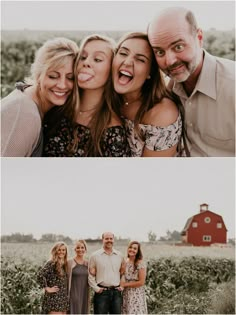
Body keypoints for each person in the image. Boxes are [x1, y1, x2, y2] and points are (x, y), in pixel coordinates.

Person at [147, 7, 235, 157]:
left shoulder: (232, 87)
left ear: (199, 37)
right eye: (159, 52)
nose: (169, 61)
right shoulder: (167, 90)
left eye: (178, 47)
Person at [43, 34, 131, 157]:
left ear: (112, 69)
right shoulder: (58, 104)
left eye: (98, 59)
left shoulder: (113, 133)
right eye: (83, 57)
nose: (86, 62)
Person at [1, 37, 79, 157]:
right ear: (38, 75)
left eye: (70, 78)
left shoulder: (31, 101)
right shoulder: (24, 114)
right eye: (53, 76)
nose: (62, 85)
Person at [112, 32, 186, 157]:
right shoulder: (107, 99)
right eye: (123, 53)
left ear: (150, 73)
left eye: (140, 59)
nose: (128, 62)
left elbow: (150, 173)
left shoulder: (163, 113)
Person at [88, 232, 125, 314]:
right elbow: (90, 275)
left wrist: (122, 286)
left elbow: (122, 273)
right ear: (103, 240)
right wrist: (96, 288)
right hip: (102, 293)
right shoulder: (95, 256)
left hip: (116, 293)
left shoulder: (120, 255)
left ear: (113, 240)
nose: (109, 240)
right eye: (107, 238)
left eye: (111, 238)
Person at [37, 242, 69, 314]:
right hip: (54, 299)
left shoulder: (64, 264)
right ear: (55, 251)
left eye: (63, 250)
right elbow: (40, 275)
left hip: (63, 299)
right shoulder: (51, 263)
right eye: (59, 250)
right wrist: (47, 288)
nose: (61, 252)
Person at [120, 241, 147, 314]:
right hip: (126, 294)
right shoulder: (125, 262)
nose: (132, 250)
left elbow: (141, 282)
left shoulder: (140, 263)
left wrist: (124, 284)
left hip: (136, 294)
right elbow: (122, 275)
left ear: (138, 251)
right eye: (130, 247)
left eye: (135, 248)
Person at [67, 240, 90, 314]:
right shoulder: (69, 262)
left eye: (82, 247)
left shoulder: (88, 263)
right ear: (75, 249)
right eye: (78, 248)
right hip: (73, 294)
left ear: (85, 249)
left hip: (85, 294)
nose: (80, 249)